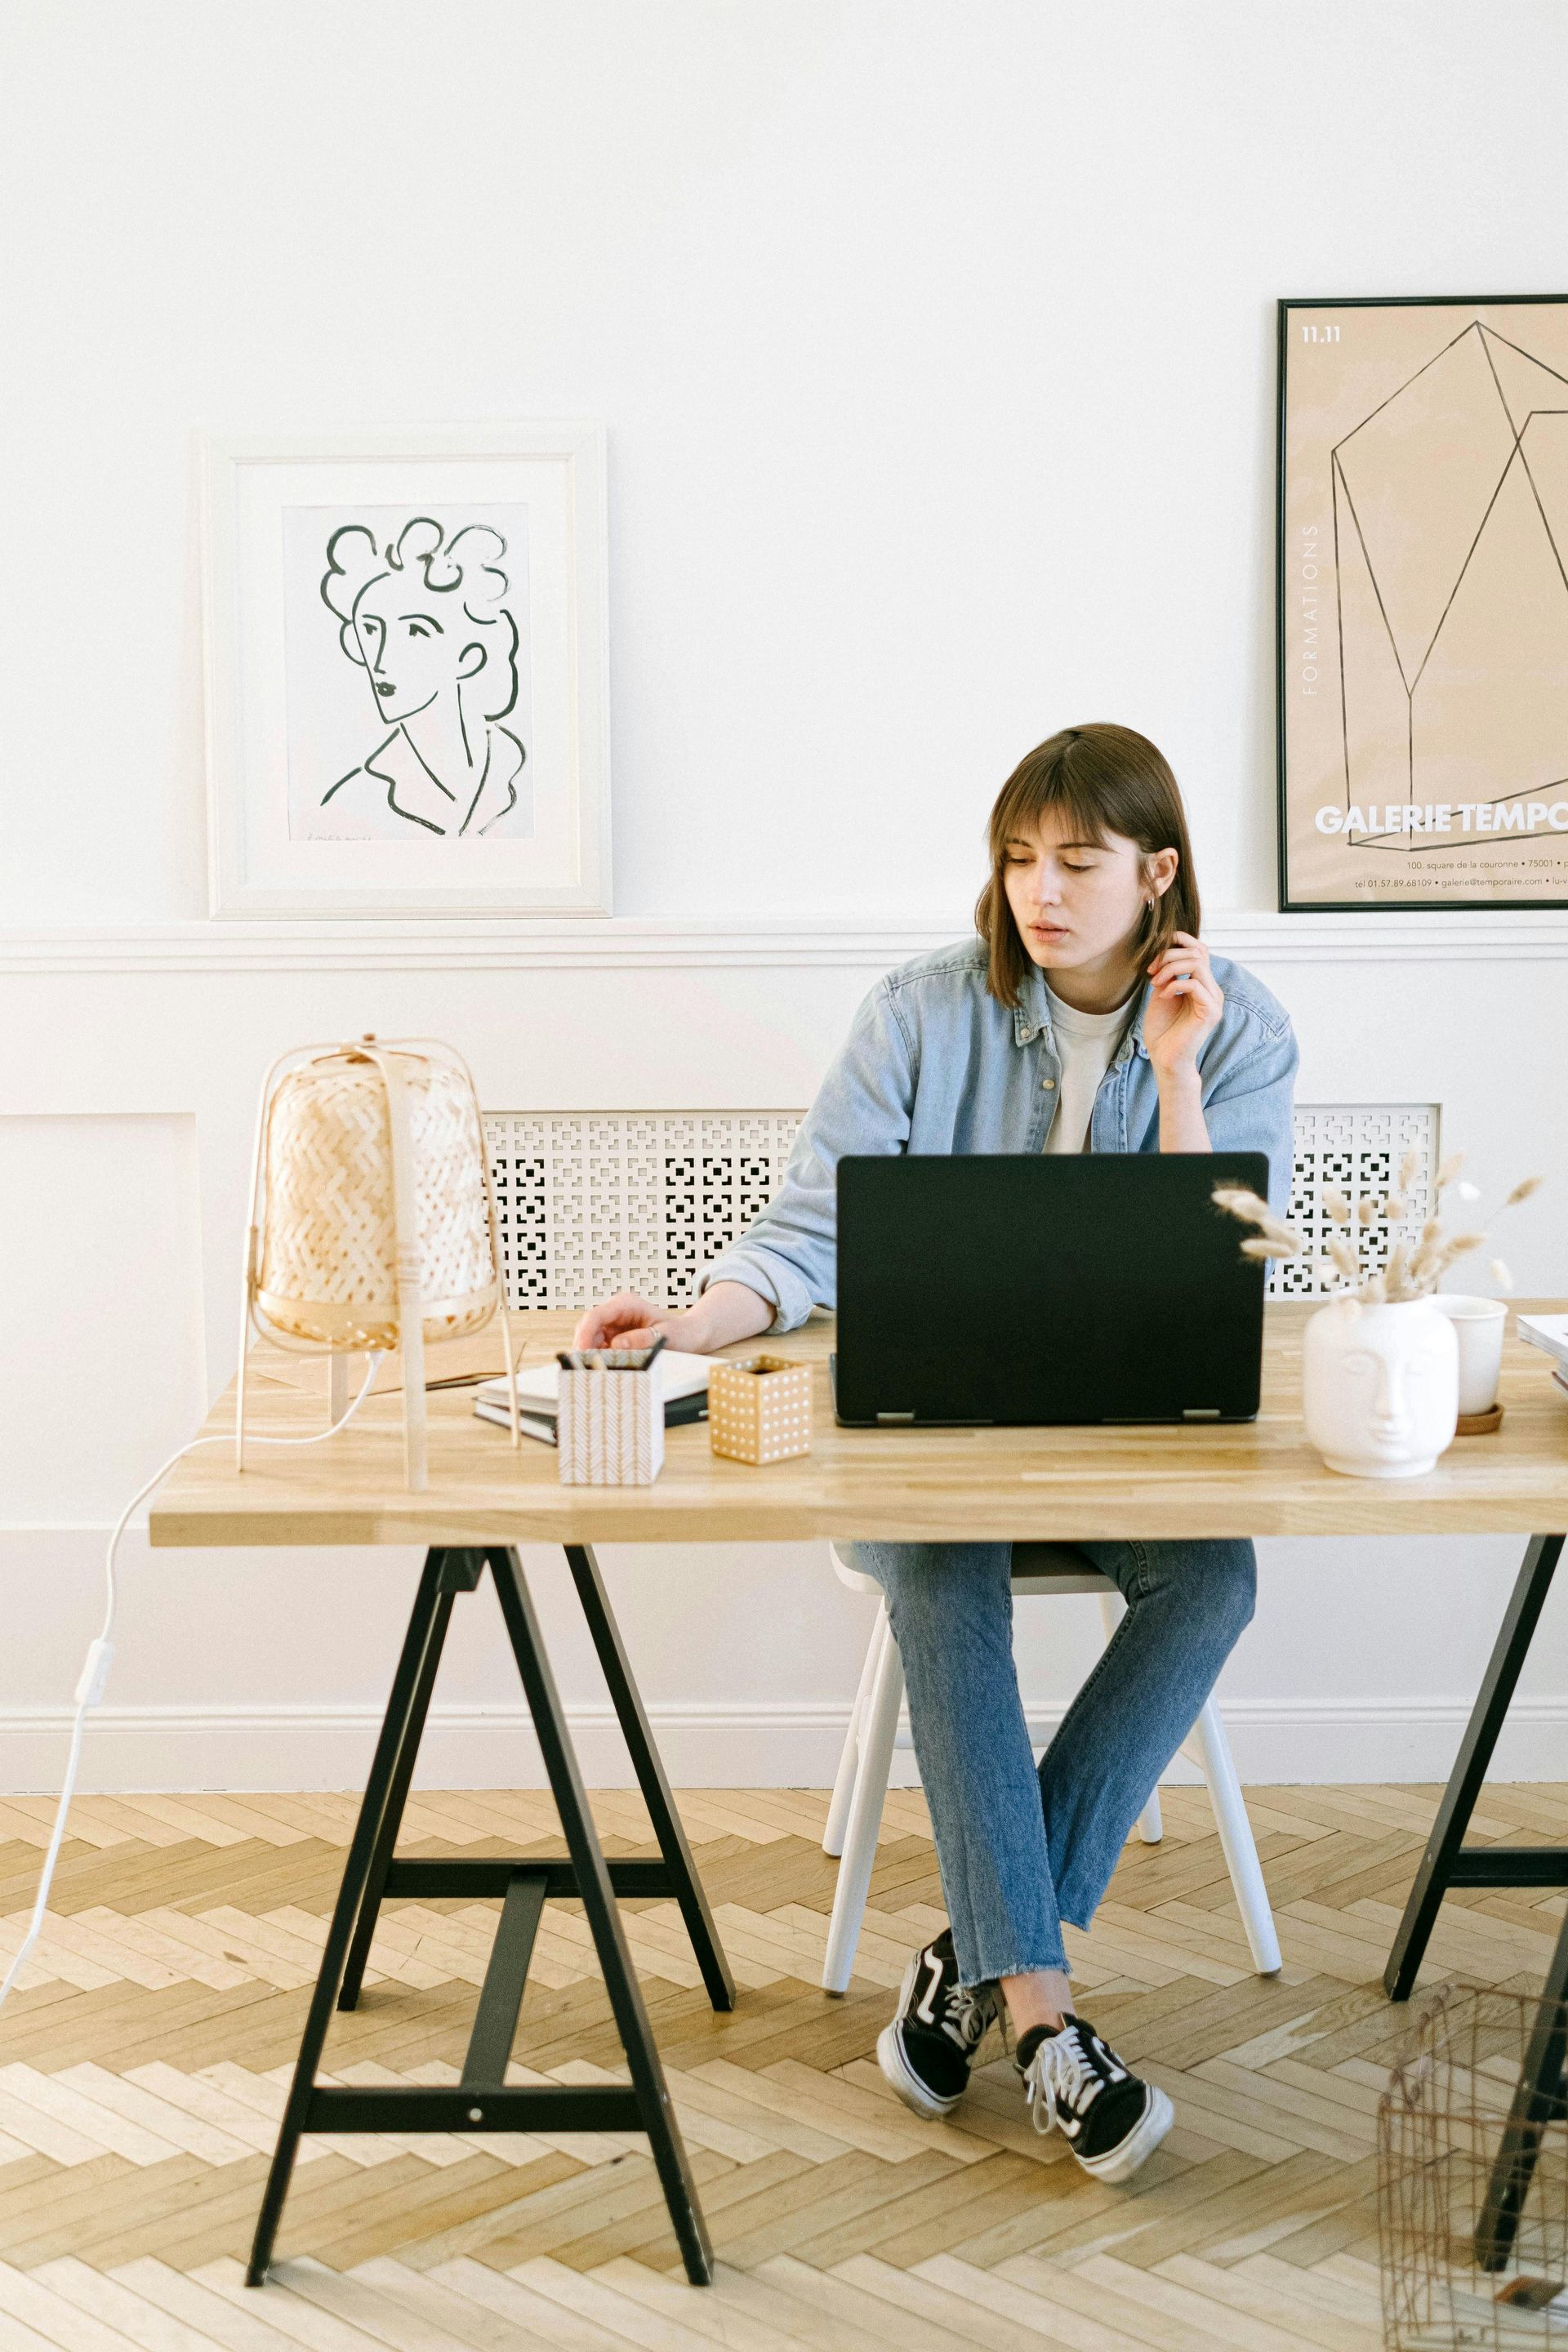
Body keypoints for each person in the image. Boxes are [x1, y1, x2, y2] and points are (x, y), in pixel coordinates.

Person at [574, 723, 1298, 2185]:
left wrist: (1175, 1074)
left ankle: (969, 1957)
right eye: (1020, 858)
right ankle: (1044, 2020)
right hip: (934, 1431)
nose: (1040, 889)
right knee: (939, 1567)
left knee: (1215, 1582)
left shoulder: (1243, 1024)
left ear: (1157, 874)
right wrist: (692, 1328)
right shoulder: (919, 1009)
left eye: (1079, 862)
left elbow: (1217, 1274)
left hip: (1126, 1444)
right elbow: (812, 1229)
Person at [317, 517, 528, 839]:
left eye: (416, 630)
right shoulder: (351, 807)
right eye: (371, 630)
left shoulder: (525, 771)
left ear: (468, 657)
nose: (382, 659)